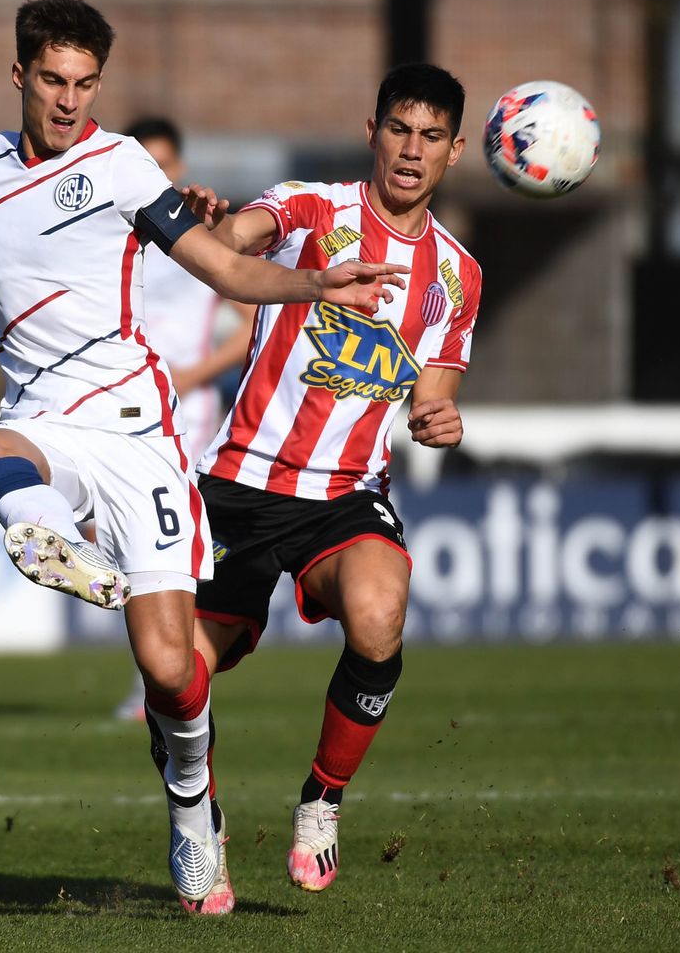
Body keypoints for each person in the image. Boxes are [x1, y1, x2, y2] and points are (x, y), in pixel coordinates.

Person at [0, 0, 405, 914]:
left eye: (86, 83)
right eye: (53, 80)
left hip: (139, 433)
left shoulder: (123, 165)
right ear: (19, 76)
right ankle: (43, 533)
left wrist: (315, 281)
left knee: (172, 668)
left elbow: (221, 266)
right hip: (46, 416)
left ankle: (189, 812)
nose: (68, 99)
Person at [168, 62, 481, 903]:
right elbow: (239, 240)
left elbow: (433, 396)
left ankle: (323, 802)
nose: (410, 151)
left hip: (345, 492)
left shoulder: (457, 275)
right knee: (176, 673)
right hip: (238, 482)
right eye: (398, 130)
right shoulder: (313, 207)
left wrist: (438, 420)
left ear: (453, 152)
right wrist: (212, 223)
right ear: (372, 132)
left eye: (430, 138)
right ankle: (199, 821)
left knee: (381, 614)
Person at [113, 116, 256, 723]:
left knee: (168, 547)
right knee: (123, 544)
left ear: (179, 166)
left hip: (186, 411)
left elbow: (247, 329)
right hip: (122, 403)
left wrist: (188, 378)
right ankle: (163, 672)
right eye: (147, 162)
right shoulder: (112, 228)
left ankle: (174, 679)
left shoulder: (198, 234)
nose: (159, 174)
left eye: (166, 164)